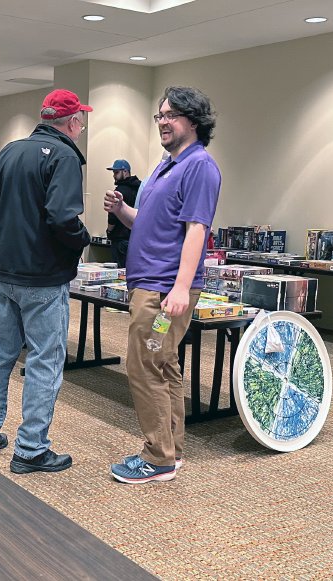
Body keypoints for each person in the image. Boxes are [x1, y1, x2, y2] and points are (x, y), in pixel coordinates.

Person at [0, 89, 92, 474]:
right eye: (81, 120)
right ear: (72, 122)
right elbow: (62, 217)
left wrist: (10, 233)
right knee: (44, 361)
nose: (82, 126)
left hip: (5, 274)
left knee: (0, 355)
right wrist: (83, 240)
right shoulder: (65, 155)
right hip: (44, 277)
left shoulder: (10, 150)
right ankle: (31, 449)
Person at [103, 86, 221, 484]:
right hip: (150, 284)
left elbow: (196, 231)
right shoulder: (163, 166)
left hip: (163, 290)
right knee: (163, 364)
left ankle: (157, 458)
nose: (163, 122)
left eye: (171, 115)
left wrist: (181, 288)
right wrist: (121, 209)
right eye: (159, 116)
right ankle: (172, 449)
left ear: (194, 120)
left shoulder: (200, 166)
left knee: (144, 365)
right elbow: (149, 224)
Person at [105, 159, 141, 268]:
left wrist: (109, 231)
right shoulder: (140, 188)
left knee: (120, 275)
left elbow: (112, 217)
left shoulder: (119, 191)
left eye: (116, 172)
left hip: (120, 239)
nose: (114, 176)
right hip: (135, 238)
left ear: (125, 172)